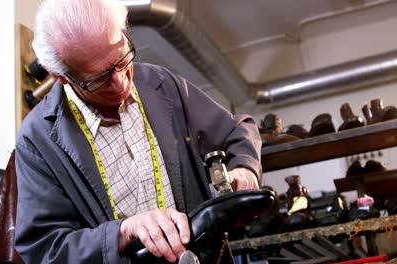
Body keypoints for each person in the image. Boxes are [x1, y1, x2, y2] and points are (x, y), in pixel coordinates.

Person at [14, 0, 262, 263]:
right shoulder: (37, 140)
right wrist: (121, 233)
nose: (120, 83)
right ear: (61, 76)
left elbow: (237, 131)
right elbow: (43, 248)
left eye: (122, 57)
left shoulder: (160, 83)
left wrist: (244, 167)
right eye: (99, 78)